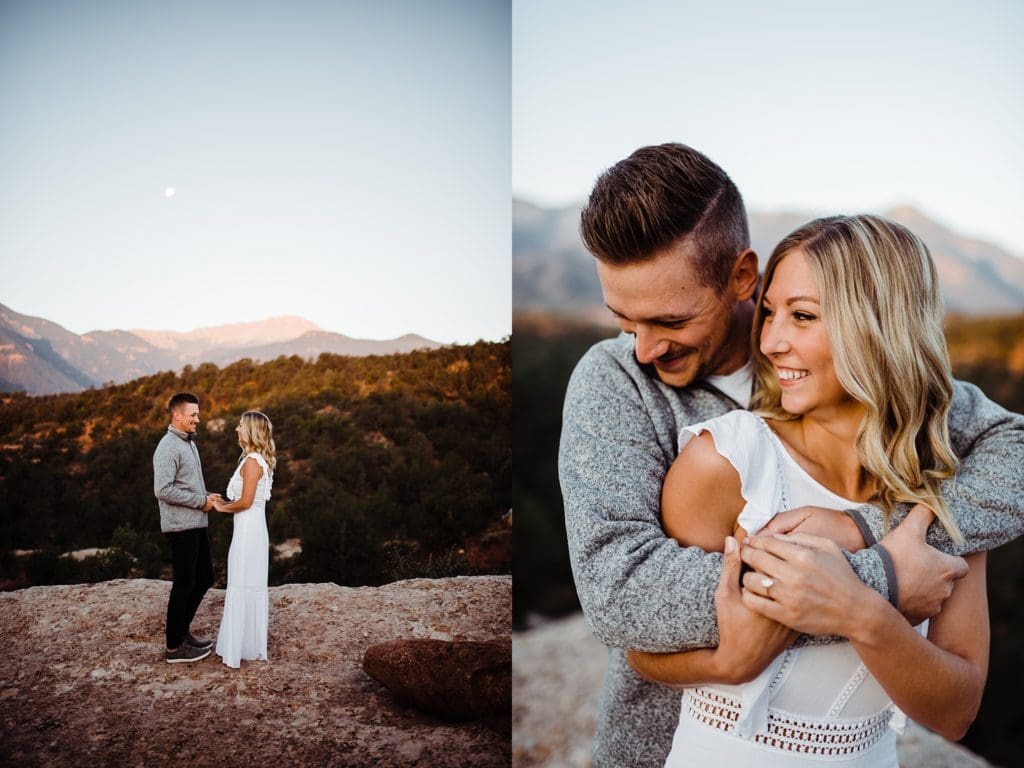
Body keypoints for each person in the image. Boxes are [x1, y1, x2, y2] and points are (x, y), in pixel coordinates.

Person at [560, 143, 1024, 767]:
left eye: (670, 320)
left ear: (742, 278)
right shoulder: (618, 383)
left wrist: (867, 529)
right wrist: (880, 578)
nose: (644, 349)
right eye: (624, 320)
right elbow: (623, 595)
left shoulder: (831, 375)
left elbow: (1009, 446)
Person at [627, 214, 988, 765]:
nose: (769, 342)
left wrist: (860, 613)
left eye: (802, 316)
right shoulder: (727, 462)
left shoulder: (946, 484)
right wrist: (731, 663)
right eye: (770, 313)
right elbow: (642, 647)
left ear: (880, 325)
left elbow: (956, 711)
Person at [154, 392, 221, 664]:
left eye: (197, 414)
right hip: (181, 527)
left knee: (204, 578)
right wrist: (199, 501)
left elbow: (186, 484)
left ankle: (182, 633)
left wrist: (207, 495)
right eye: (193, 415)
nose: (198, 419)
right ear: (177, 415)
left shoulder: (188, 442)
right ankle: (174, 647)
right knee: (184, 583)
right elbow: (163, 489)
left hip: (195, 523)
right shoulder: (168, 446)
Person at [213, 410, 274, 668]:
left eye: (239, 426)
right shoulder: (256, 459)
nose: (236, 430)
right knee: (246, 582)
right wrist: (225, 502)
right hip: (250, 528)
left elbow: (246, 502)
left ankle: (239, 647)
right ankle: (245, 644)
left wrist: (220, 507)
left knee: (241, 582)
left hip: (249, 530)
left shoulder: (251, 462)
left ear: (249, 430)